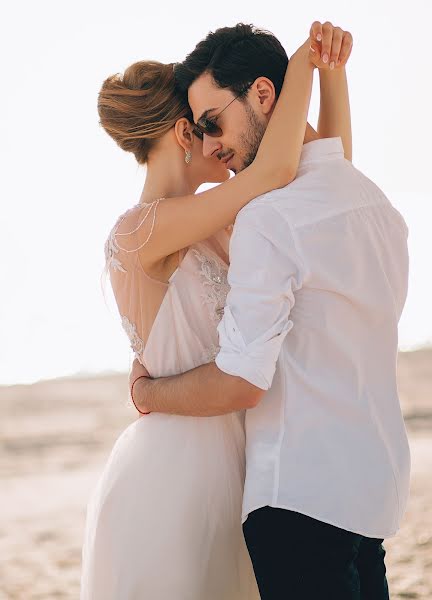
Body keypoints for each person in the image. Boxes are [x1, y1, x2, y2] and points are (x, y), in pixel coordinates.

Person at [129, 21, 411, 600]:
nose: (209, 146)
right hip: (373, 491)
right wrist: (328, 77)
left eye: (212, 123)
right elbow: (322, 164)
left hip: (299, 498)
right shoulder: (377, 206)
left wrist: (148, 394)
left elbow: (241, 382)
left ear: (263, 94)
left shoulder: (270, 218)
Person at [81, 21, 353, 600]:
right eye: (207, 127)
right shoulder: (139, 230)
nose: (219, 144)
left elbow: (322, 187)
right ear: (183, 132)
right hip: (179, 475)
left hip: (246, 459)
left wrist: (335, 82)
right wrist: (304, 63)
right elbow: (276, 171)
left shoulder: (219, 222)